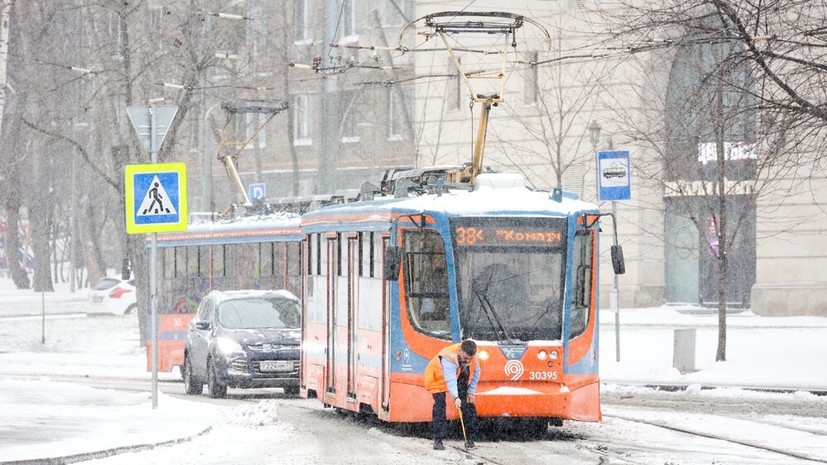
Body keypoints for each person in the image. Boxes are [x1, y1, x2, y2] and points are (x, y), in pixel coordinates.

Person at [423, 339, 480, 450]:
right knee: (440, 405)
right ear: (460, 351)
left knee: (468, 404)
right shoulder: (449, 357)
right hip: (437, 378)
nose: (468, 361)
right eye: (465, 359)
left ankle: (470, 439)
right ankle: (438, 440)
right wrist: (456, 397)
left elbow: (476, 372)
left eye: (470, 359)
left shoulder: (474, 355)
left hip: (457, 374)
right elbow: (450, 380)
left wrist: (470, 392)